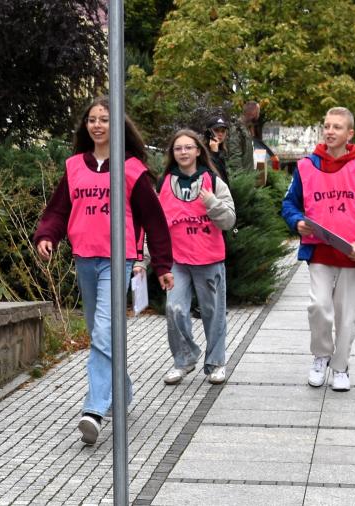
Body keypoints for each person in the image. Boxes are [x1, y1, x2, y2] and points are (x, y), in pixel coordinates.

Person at [33, 96, 174, 445]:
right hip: (84, 258)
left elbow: (155, 221)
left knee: (102, 332)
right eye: (92, 120)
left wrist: (163, 265)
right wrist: (47, 235)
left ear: (117, 126)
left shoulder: (131, 169)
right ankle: (122, 392)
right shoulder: (74, 167)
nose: (97, 125)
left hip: (119, 259)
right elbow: (57, 209)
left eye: (104, 119)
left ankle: (94, 409)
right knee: (104, 333)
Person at [281, 107, 355, 392]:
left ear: (350, 133)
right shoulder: (306, 165)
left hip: (352, 253)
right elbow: (289, 204)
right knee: (318, 306)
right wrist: (297, 221)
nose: (330, 131)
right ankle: (321, 355)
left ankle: (340, 367)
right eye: (327, 126)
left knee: (346, 314)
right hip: (319, 250)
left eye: (337, 127)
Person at [158, 129, 236, 386]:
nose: (183, 152)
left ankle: (216, 363)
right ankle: (184, 359)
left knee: (213, 313)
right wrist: (145, 259)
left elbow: (229, 220)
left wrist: (212, 202)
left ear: (198, 151)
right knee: (174, 308)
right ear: (173, 153)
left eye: (188, 147)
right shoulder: (164, 183)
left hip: (209, 259)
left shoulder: (212, 181)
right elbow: (154, 224)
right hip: (177, 261)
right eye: (178, 148)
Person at [226, 100, 258, 174]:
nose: (258, 114)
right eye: (257, 112)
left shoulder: (245, 128)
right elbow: (235, 156)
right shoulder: (237, 129)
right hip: (241, 180)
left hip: (247, 177)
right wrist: (241, 179)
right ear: (253, 112)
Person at [204, 115, 231, 186]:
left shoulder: (223, 150)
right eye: (216, 130)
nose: (220, 134)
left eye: (223, 131)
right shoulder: (202, 152)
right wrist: (214, 153)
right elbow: (214, 174)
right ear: (209, 133)